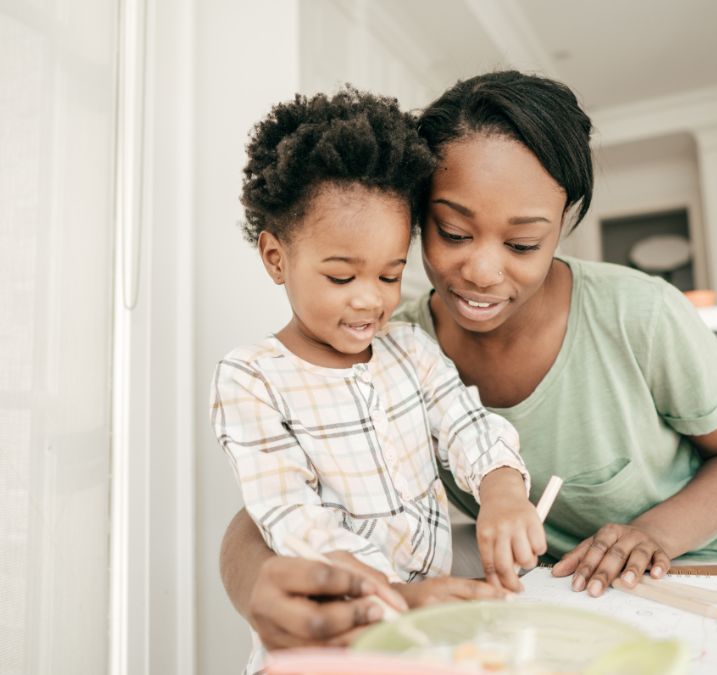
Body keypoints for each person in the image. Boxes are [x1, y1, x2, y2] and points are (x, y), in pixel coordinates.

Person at [218, 71, 717, 649]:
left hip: (704, 574)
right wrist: (258, 584)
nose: (483, 272)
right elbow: (275, 505)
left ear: (562, 225)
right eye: (454, 232)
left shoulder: (641, 316)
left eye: (521, 244)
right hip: (558, 597)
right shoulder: (387, 345)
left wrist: (651, 534)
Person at [211, 88, 547, 670]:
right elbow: (291, 518)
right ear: (276, 259)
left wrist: (501, 489)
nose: (370, 300)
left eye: (390, 276)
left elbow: (467, 423)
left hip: (429, 627)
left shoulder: (410, 350)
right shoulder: (253, 378)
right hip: (337, 632)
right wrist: (393, 600)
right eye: (342, 277)